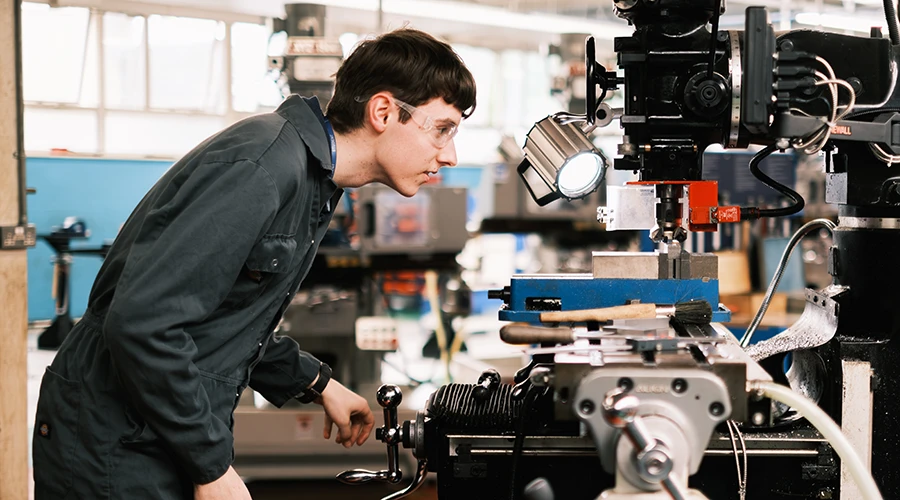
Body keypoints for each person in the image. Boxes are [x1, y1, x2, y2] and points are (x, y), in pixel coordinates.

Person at [32, 27, 476, 499]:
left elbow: (225, 316)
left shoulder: (314, 180)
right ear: (383, 111)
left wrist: (316, 381)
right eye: (442, 129)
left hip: (150, 428)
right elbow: (143, 324)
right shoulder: (263, 168)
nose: (449, 155)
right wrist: (211, 468)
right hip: (113, 439)